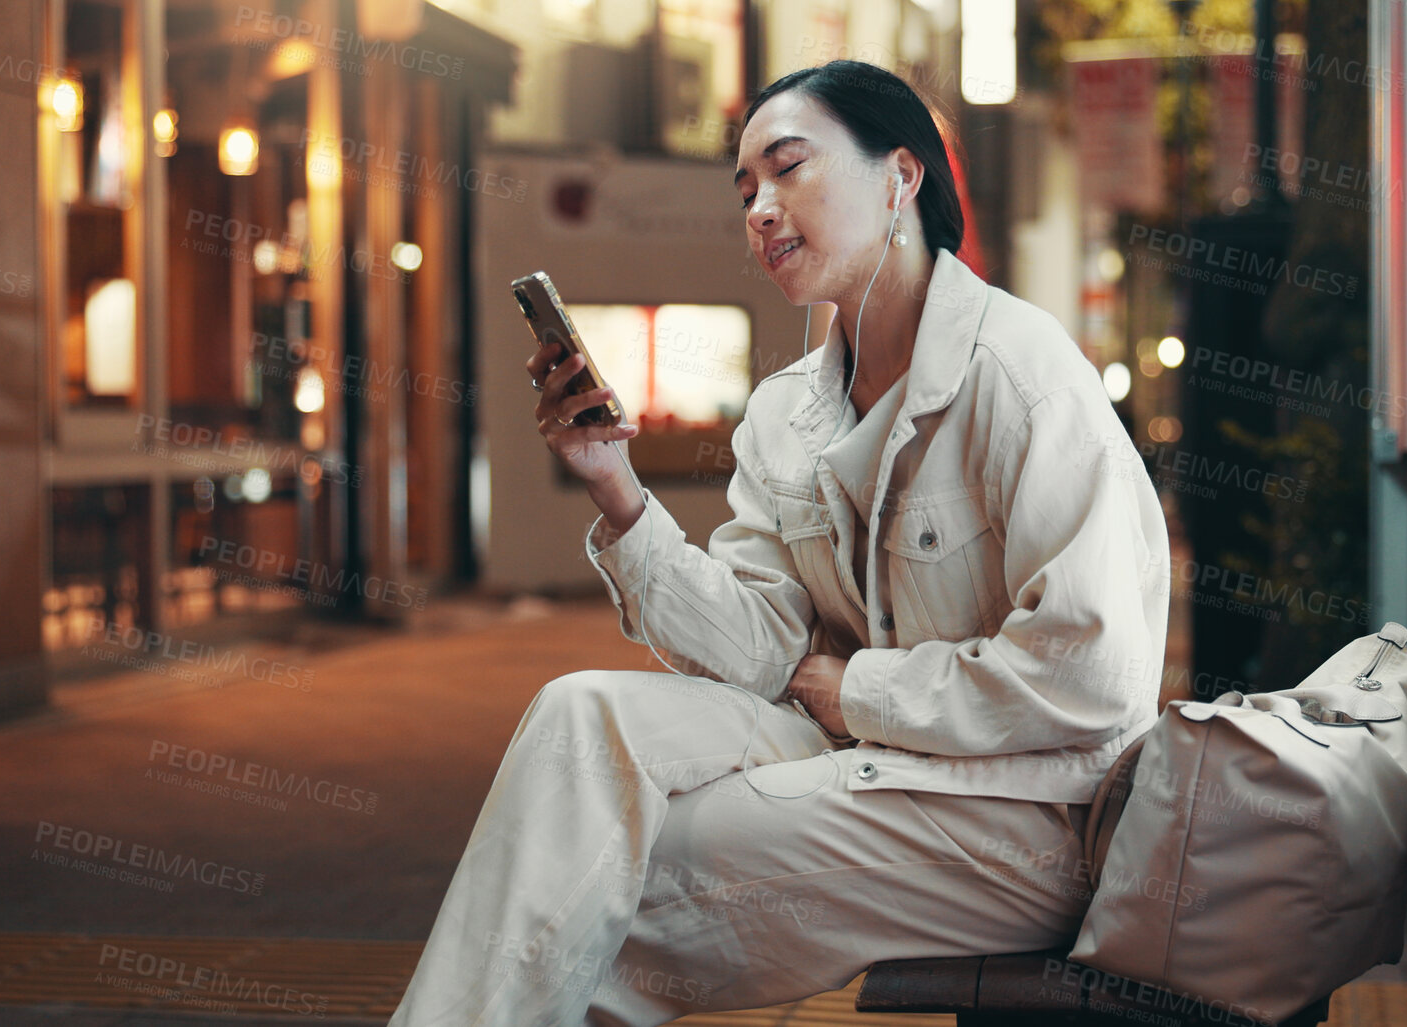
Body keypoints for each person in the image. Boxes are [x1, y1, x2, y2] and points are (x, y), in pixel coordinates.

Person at [388, 60, 1170, 1027]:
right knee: (579, 712)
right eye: (746, 186)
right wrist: (616, 489)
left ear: (901, 177)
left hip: (1023, 818)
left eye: (789, 168)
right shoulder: (783, 413)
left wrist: (859, 691)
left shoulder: (1022, 372)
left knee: (599, 879)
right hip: (848, 752)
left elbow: (1094, 675)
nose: (759, 206)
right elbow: (761, 651)